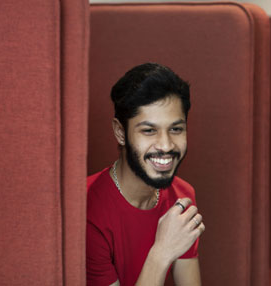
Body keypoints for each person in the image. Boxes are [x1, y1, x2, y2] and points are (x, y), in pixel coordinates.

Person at [86, 63, 205, 286]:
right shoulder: (86, 209)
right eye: (149, 130)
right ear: (120, 132)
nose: (166, 145)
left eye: (176, 129)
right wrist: (161, 253)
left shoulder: (182, 196)